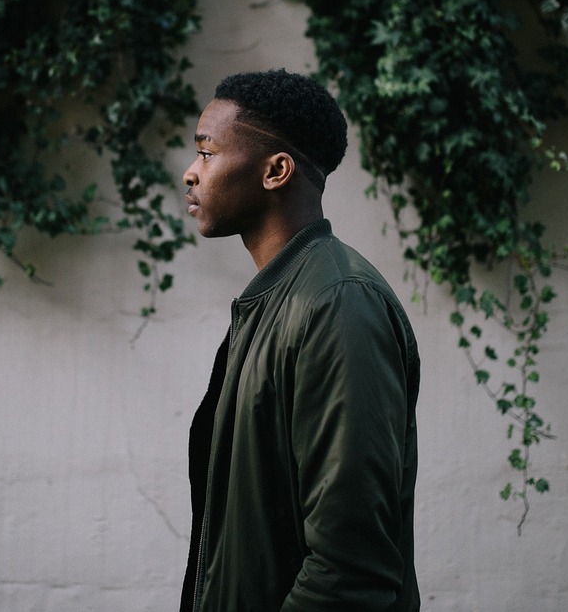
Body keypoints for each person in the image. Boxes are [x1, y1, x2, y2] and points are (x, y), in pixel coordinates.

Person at [179, 69, 421, 612]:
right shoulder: (276, 300)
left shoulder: (337, 304)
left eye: (208, 153)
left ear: (276, 171)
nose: (191, 173)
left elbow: (350, 569)